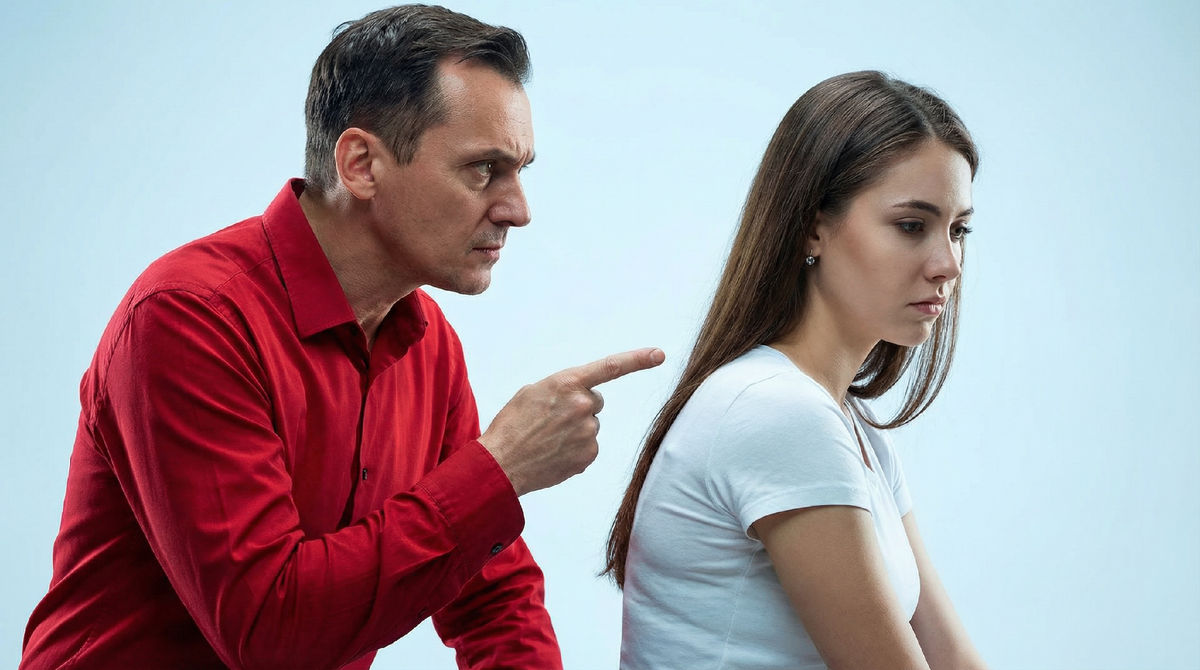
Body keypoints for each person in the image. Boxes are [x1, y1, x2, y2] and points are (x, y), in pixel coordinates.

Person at [20, 6, 663, 670]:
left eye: (521, 170)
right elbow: (269, 632)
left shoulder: (428, 344)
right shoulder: (189, 317)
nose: (518, 210)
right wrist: (499, 469)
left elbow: (492, 599)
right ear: (360, 164)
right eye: (483, 169)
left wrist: (490, 486)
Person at [605, 71, 989, 669]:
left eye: (958, 230)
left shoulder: (854, 430)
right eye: (912, 226)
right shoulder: (778, 412)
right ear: (813, 227)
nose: (948, 263)